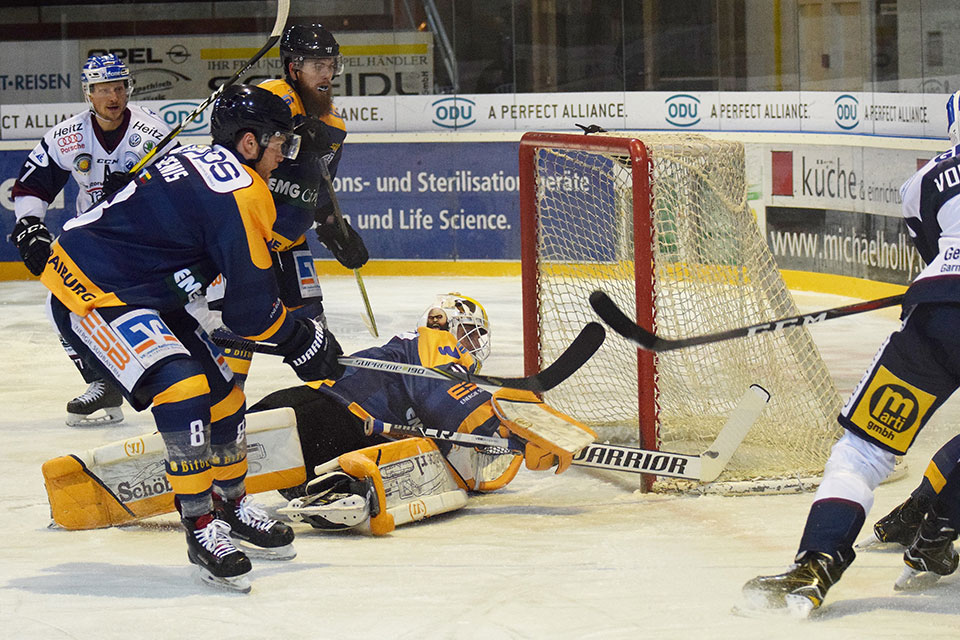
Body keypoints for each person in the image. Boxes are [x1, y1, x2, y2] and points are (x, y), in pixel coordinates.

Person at [37, 83, 345, 592]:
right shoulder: (244, 191)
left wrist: (297, 337)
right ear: (249, 143)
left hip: (144, 289)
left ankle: (231, 503)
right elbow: (250, 312)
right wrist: (300, 340)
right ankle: (201, 527)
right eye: (279, 144)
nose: (283, 155)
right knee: (183, 390)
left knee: (225, 398)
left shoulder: (204, 160)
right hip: (92, 290)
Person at [741, 90, 960, 615]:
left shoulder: (924, 181)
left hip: (936, 316)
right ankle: (934, 535)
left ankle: (816, 562)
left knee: (863, 451)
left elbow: (934, 256)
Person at [250, 292, 579, 532]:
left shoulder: (422, 357)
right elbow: (445, 397)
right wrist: (503, 429)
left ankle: (329, 492)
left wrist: (504, 445)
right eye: (470, 330)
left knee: (221, 473)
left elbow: (455, 459)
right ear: (442, 322)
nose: (476, 342)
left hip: (330, 441)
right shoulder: (432, 341)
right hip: (320, 413)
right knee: (214, 462)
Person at [10, 53, 175, 427]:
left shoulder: (152, 133)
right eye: (103, 89)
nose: (113, 97)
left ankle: (179, 382)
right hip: (94, 235)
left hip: (147, 239)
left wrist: (138, 188)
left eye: (118, 87)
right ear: (89, 93)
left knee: (164, 312)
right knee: (61, 302)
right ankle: (102, 382)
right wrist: (30, 226)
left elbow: (179, 185)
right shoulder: (68, 135)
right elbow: (33, 183)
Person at [216, 23, 369, 388]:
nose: (327, 74)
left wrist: (334, 227)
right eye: (318, 65)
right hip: (249, 239)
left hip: (291, 243)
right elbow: (234, 153)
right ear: (293, 68)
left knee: (315, 335)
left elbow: (320, 188)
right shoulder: (271, 97)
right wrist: (297, 130)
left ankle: (335, 406)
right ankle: (223, 407)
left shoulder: (334, 125)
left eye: (331, 65)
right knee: (237, 332)